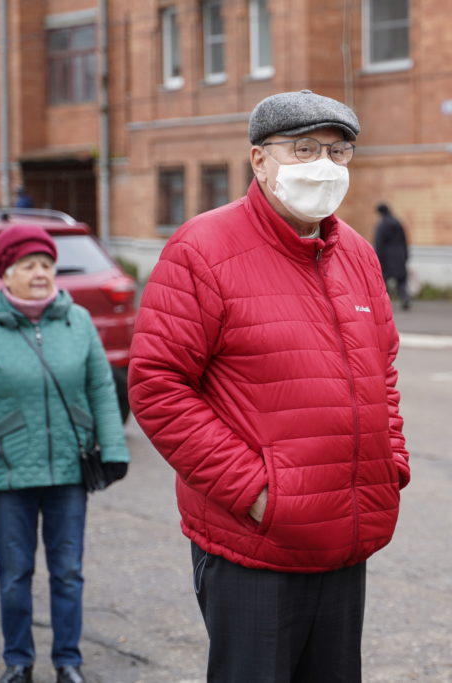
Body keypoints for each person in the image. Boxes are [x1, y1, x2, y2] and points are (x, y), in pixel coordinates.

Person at [128, 89, 410, 683]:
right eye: (304, 149)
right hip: (255, 547)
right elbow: (158, 386)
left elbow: (382, 371)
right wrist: (258, 493)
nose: (324, 166)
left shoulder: (356, 253)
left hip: (344, 535)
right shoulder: (202, 248)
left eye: (339, 152)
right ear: (259, 161)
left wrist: (392, 464)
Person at [0, 225, 129, 683]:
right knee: (15, 573)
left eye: (46, 265)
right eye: (28, 266)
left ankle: (68, 661)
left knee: (68, 571)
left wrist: (113, 447)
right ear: (5, 275)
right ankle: (18, 660)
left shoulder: (77, 321)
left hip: (70, 468)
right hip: (8, 471)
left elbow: (101, 388)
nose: (40, 274)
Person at [373, 203, 410, 310]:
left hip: (386, 256)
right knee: (401, 280)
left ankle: (385, 303)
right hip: (400, 254)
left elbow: (379, 242)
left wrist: (377, 257)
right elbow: (404, 240)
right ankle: (405, 298)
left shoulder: (382, 225)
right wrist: (406, 255)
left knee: (384, 280)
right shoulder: (398, 222)